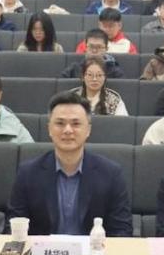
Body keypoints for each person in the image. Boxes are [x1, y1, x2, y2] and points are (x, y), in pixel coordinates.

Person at [7, 91, 132, 237]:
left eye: (76, 124)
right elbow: (13, 228)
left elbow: (122, 232)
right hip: (42, 251)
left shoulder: (111, 174)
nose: (67, 130)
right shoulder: (28, 174)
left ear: (88, 130)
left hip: (93, 251)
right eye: (60, 123)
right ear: (49, 129)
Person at [61, 29, 126, 79]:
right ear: (85, 47)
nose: (94, 51)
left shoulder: (115, 72)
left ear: (106, 49)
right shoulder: (74, 68)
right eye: (91, 47)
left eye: (99, 47)